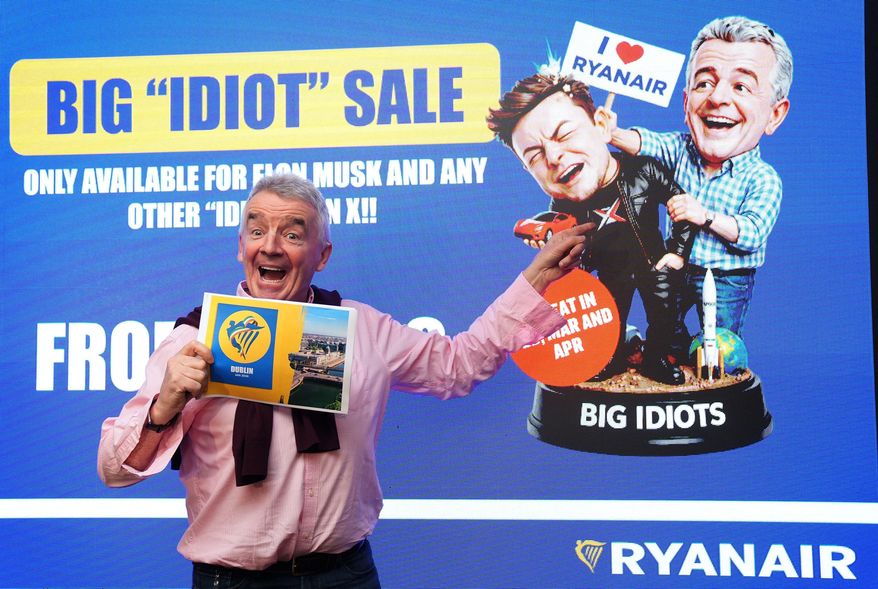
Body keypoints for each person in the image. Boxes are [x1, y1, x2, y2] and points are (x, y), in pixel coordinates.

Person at [98, 173, 587, 588]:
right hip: (233, 579)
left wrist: (536, 280)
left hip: (344, 574)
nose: (271, 245)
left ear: (322, 253)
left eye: (293, 233)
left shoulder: (362, 329)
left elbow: (456, 366)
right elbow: (114, 471)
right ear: (241, 246)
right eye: (257, 230)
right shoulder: (192, 338)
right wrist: (164, 405)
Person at [486, 73, 695, 384]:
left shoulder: (645, 170)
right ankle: (609, 361)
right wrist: (555, 253)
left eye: (564, 134)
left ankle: (657, 360)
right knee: (609, 322)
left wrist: (677, 254)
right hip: (611, 275)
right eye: (535, 156)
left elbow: (683, 206)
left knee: (665, 319)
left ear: (600, 124)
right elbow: (572, 249)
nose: (554, 157)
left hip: (655, 265)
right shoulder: (563, 206)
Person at [608, 16, 792, 340]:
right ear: (685, 102)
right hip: (679, 266)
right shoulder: (679, 150)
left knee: (720, 342)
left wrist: (703, 216)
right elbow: (645, 143)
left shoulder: (764, 179)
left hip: (728, 278)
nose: (717, 98)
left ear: (774, 115)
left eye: (741, 86)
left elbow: (751, 233)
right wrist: (611, 132)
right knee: (665, 328)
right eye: (704, 83)